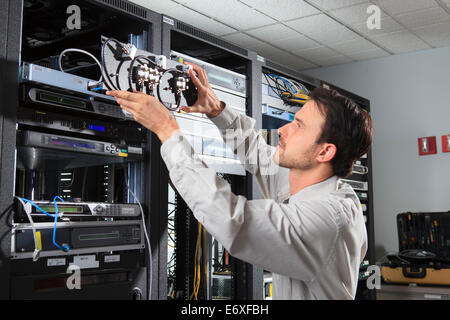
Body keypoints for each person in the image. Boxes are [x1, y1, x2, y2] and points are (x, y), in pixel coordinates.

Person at [106, 63, 373, 300]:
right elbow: (256, 150)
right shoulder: (316, 183)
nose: (282, 130)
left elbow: (233, 220)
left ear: (324, 152)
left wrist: (167, 130)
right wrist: (215, 108)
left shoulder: (327, 218)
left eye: (299, 126)